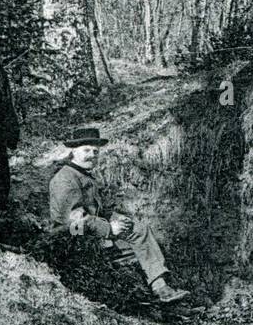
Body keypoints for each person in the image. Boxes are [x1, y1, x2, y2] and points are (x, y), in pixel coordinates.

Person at [48, 126, 192, 304]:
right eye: (86, 150)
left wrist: (115, 218)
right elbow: (73, 221)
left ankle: (161, 288)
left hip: (89, 232)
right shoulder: (65, 178)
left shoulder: (83, 175)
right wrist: (109, 228)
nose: (92, 155)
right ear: (73, 152)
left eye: (95, 151)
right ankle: (150, 294)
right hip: (73, 239)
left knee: (139, 230)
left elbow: (95, 210)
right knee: (134, 246)